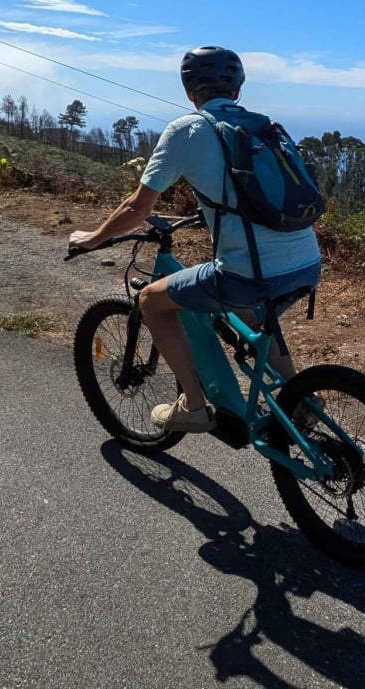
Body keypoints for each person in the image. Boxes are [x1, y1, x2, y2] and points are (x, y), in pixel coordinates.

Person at [67, 47, 322, 432]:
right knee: (251, 311)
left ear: (189, 90)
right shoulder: (264, 127)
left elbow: (137, 208)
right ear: (238, 89)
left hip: (249, 274)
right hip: (307, 263)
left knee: (151, 301)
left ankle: (194, 405)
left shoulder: (188, 130)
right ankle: (298, 395)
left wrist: (93, 238)